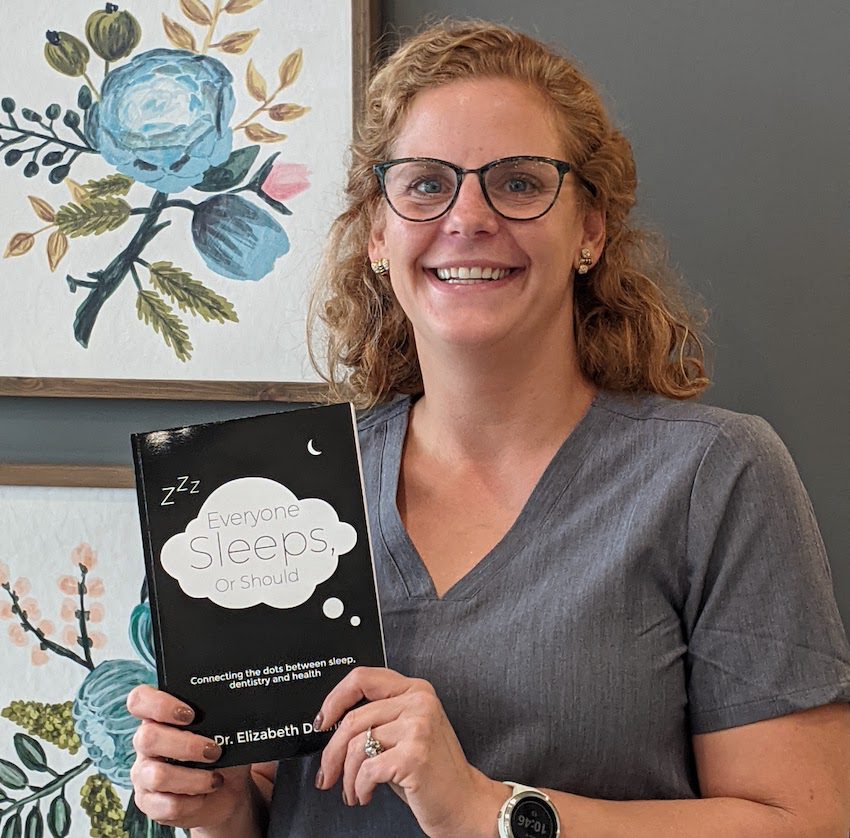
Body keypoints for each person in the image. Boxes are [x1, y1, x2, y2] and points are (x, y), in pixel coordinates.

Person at [127, 20, 850, 837]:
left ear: (590, 230)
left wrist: (488, 811)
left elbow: (806, 822)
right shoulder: (281, 487)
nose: (467, 217)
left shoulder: (713, 476)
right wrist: (223, 810)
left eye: (518, 182)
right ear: (378, 233)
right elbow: (279, 810)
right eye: (425, 184)